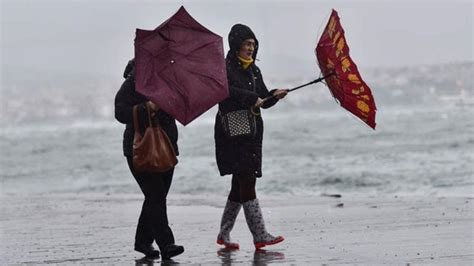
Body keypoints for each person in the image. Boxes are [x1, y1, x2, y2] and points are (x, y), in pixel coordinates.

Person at [214, 24, 288, 250]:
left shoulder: (254, 70)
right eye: (247, 44)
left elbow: (262, 99)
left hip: (252, 131)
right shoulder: (224, 68)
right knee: (247, 179)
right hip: (232, 133)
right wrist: (250, 98)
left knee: (239, 183)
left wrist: (274, 96)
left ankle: (223, 234)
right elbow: (224, 92)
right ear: (237, 44)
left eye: (254, 44)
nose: (251, 48)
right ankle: (260, 234)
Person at [114, 59, 184, 259]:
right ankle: (167, 244)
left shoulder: (171, 80)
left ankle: (143, 241)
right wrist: (148, 107)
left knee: (156, 197)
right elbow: (120, 112)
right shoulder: (135, 80)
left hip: (166, 146)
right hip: (140, 149)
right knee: (156, 195)